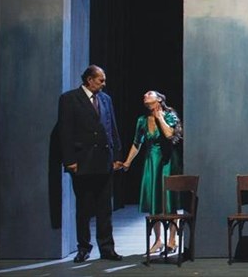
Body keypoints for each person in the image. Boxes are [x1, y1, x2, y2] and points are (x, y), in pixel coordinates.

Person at [58, 65, 124, 262]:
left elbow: (112, 127)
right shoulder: (70, 99)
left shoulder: (105, 99)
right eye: (100, 80)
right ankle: (83, 248)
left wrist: (117, 156)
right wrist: (70, 160)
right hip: (83, 161)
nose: (103, 84)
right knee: (84, 208)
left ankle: (107, 248)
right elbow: (65, 132)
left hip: (104, 161)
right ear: (89, 79)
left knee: (105, 208)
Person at [121, 90, 183, 254]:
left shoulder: (170, 116)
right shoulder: (141, 120)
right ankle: (158, 240)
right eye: (144, 95)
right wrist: (128, 161)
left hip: (167, 162)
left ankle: (172, 240)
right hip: (151, 162)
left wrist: (159, 117)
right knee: (154, 201)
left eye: (149, 94)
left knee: (169, 201)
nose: (145, 96)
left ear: (159, 99)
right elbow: (136, 143)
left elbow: (169, 135)